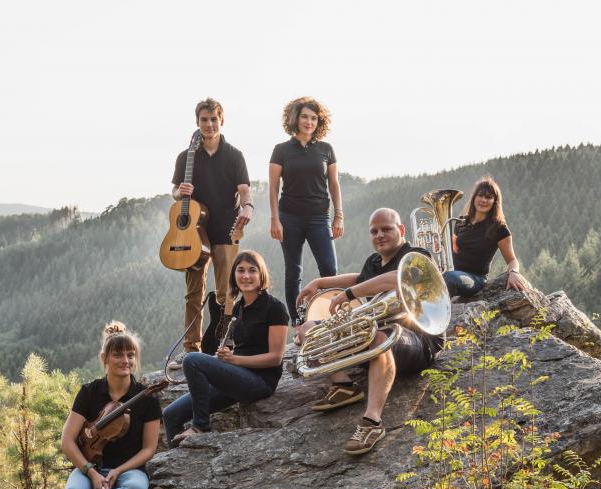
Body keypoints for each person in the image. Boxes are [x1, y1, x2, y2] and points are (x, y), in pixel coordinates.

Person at [296, 208, 444, 455]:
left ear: (401, 230)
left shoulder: (416, 255)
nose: (380, 235)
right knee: (309, 330)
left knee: (377, 339)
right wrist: (321, 283)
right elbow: (359, 278)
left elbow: (396, 279)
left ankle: (372, 421)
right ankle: (343, 385)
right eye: (374, 231)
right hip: (383, 333)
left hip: (420, 340)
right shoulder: (374, 262)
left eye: (386, 229)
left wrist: (350, 295)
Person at [47, 322, 161, 489]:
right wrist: (90, 471)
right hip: (90, 467)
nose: (125, 361)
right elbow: (67, 441)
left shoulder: (146, 399)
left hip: (128, 470)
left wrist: (118, 470)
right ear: (105, 359)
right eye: (117, 355)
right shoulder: (89, 392)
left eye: (130, 355)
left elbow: (149, 449)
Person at [163, 251, 289, 446]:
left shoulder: (275, 308)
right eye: (241, 270)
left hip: (260, 382)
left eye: (252, 270)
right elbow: (241, 347)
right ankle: (182, 462)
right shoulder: (240, 307)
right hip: (238, 377)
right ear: (234, 276)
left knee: (192, 360)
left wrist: (235, 360)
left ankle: (200, 427)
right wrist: (225, 356)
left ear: (261, 275)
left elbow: (275, 358)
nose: (246, 276)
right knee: (170, 414)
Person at [168, 97, 254, 369]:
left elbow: (244, 190)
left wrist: (248, 206)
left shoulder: (234, 155)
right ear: (197, 122)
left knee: (227, 293)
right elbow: (174, 191)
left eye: (213, 119)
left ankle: (223, 345)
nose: (209, 124)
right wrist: (178, 192)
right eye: (204, 120)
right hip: (193, 234)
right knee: (193, 294)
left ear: (222, 120)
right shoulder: (186, 157)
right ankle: (191, 349)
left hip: (226, 230)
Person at [269, 96, 344, 334]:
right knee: (293, 272)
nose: (309, 122)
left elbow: (334, 184)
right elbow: (272, 187)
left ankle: (331, 318)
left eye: (313, 118)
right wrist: (274, 219)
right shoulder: (281, 150)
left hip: (319, 218)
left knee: (329, 270)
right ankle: (298, 322)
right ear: (295, 118)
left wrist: (338, 215)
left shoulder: (326, 149)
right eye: (304, 117)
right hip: (289, 217)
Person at [442, 176, 526, 298]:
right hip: (453, 273)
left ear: (494, 202)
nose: (483, 200)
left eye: (489, 197)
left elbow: (512, 260)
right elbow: (453, 250)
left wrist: (513, 272)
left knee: (449, 279)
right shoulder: (460, 222)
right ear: (474, 197)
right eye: (480, 195)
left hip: (475, 279)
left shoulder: (499, 228)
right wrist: (441, 245)